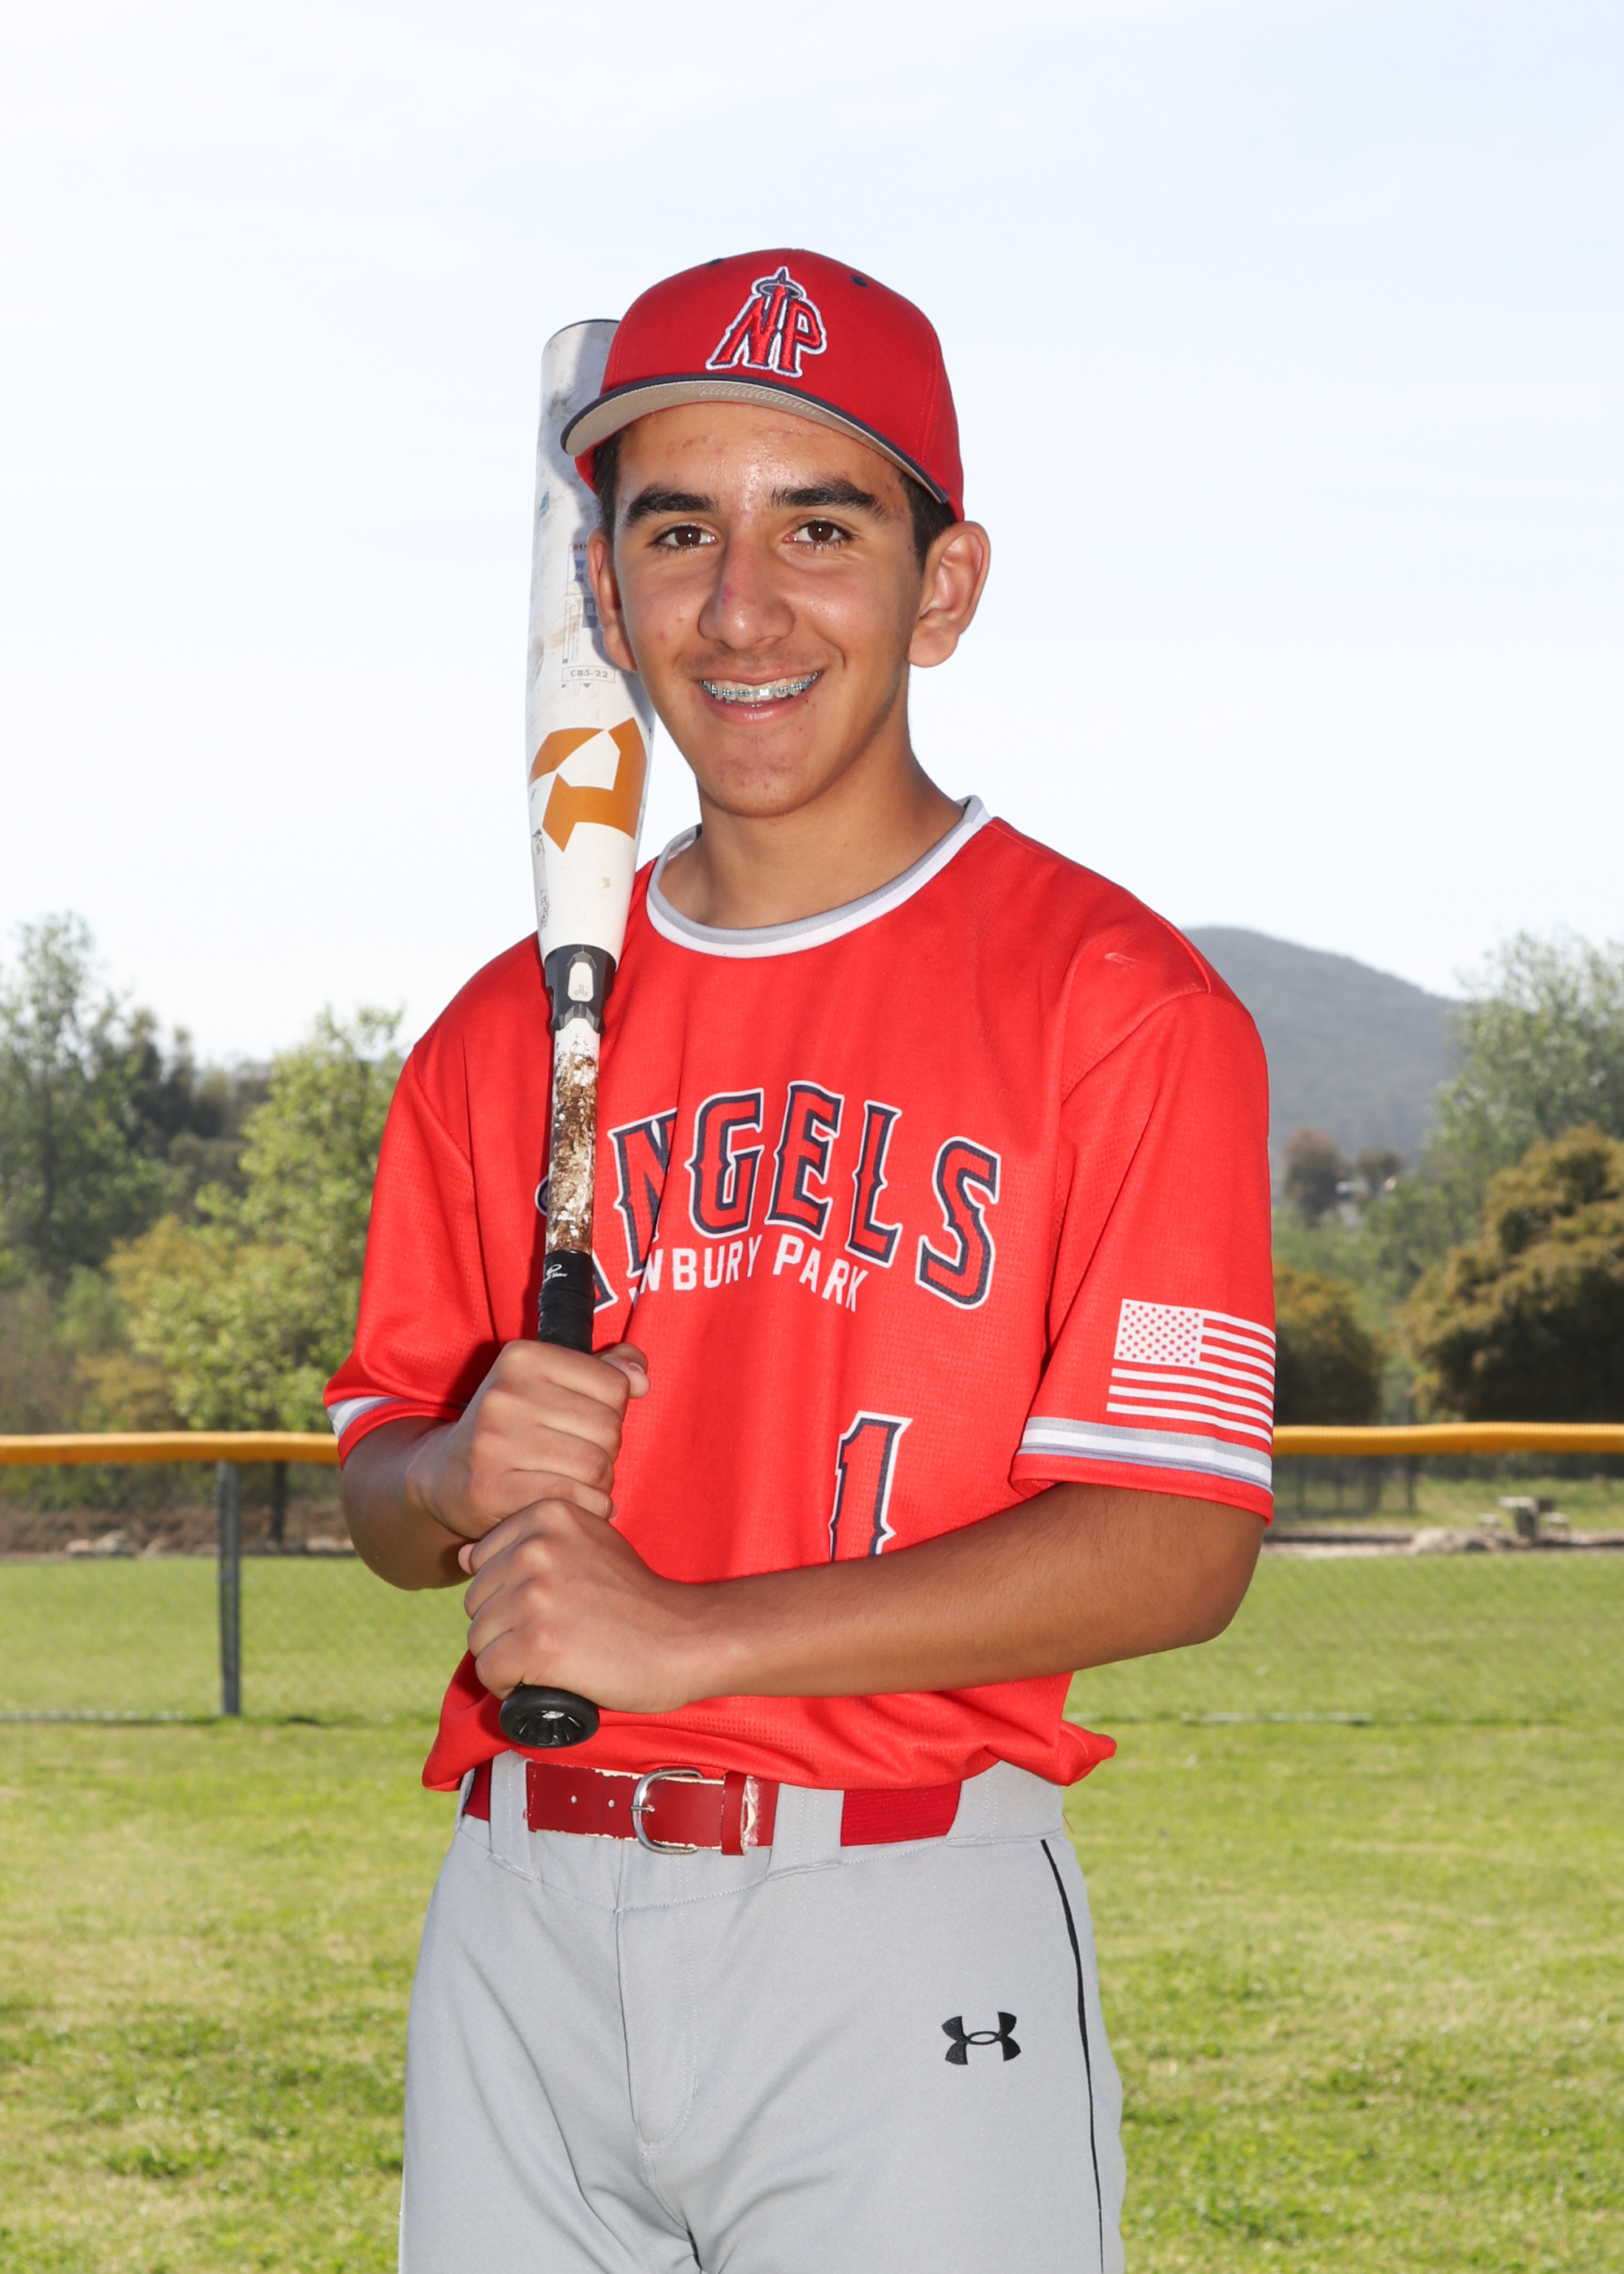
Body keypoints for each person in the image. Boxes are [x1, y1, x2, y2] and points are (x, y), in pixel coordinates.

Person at [329, 247, 1275, 2274]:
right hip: (517, 1913)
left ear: (944, 585)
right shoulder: (501, 1035)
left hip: (896, 1917)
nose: (741, 607)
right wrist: (456, 1463)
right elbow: (385, 1492)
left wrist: (688, 1637)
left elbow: (1176, 1541)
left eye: (820, 528)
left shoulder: (1118, 1003)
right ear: (604, 596)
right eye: (678, 530)